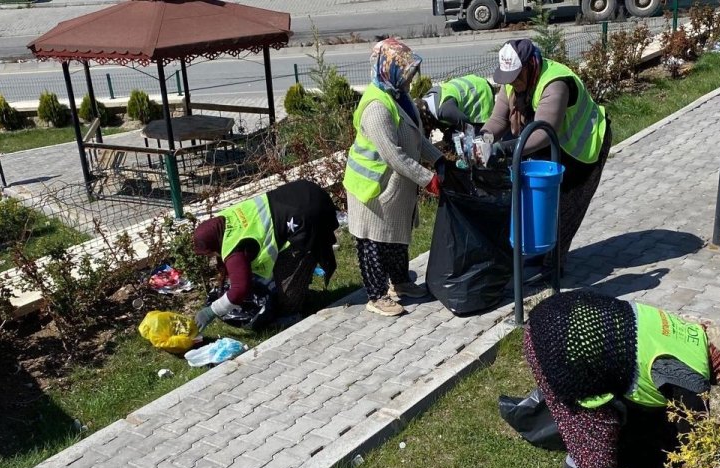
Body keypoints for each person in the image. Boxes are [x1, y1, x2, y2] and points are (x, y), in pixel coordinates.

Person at [522, 290, 720, 468]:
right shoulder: (691, 377)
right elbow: (694, 440)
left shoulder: (685, 331)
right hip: (562, 352)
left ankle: (577, 461)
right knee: (598, 427)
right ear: (718, 357)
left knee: (572, 413)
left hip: (540, 328)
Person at [482, 39, 612, 275]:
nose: (512, 83)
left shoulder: (555, 83)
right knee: (539, 203)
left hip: (584, 150)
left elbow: (543, 132)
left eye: (516, 77)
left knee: (565, 208)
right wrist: (482, 140)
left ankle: (553, 269)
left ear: (530, 65)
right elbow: (499, 120)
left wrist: (504, 149)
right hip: (554, 150)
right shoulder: (512, 82)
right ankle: (538, 254)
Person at [343, 37, 447, 317]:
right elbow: (394, 155)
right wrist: (429, 179)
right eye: (406, 72)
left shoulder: (397, 96)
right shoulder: (376, 107)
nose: (410, 79)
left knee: (397, 237)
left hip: (392, 187)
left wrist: (437, 157)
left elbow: (414, 135)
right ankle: (376, 296)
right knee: (374, 242)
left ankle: (399, 282)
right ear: (389, 69)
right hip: (371, 188)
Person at [192, 179, 339, 331]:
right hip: (301, 193)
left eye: (209, 253)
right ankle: (302, 294)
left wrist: (211, 312)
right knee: (281, 273)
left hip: (306, 216)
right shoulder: (223, 219)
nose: (211, 256)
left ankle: (293, 314)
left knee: (289, 282)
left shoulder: (234, 246)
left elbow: (239, 290)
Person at [417, 74, 496, 143]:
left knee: (481, 135)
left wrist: (453, 132)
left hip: (481, 91)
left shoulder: (444, 110)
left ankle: (497, 149)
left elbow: (467, 126)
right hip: (473, 83)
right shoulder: (427, 101)